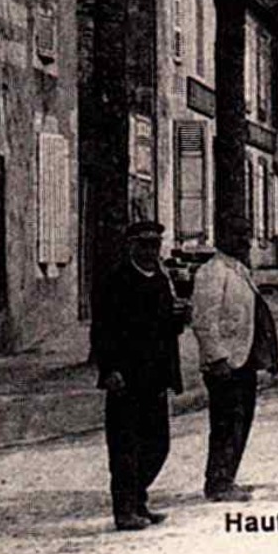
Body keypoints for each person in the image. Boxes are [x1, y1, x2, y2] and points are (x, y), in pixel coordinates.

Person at [91, 220, 190, 531]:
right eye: (144, 244)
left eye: (155, 244)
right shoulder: (115, 280)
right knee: (124, 447)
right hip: (126, 377)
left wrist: (179, 318)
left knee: (158, 444)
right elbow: (102, 331)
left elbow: (167, 330)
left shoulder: (161, 280)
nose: (150, 250)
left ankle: (139, 500)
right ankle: (125, 510)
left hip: (156, 376)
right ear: (131, 246)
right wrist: (109, 370)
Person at [191, 218, 278, 503]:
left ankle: (227, 477)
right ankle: (217, 482)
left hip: (244, 361)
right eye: (238, 235)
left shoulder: (238, 270)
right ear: (223, 238)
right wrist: (217, 358)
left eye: (247, 234)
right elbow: (204, 320)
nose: (245, 240)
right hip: (227, 363)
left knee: (241, 421)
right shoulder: (213, 272)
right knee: (226, 424)